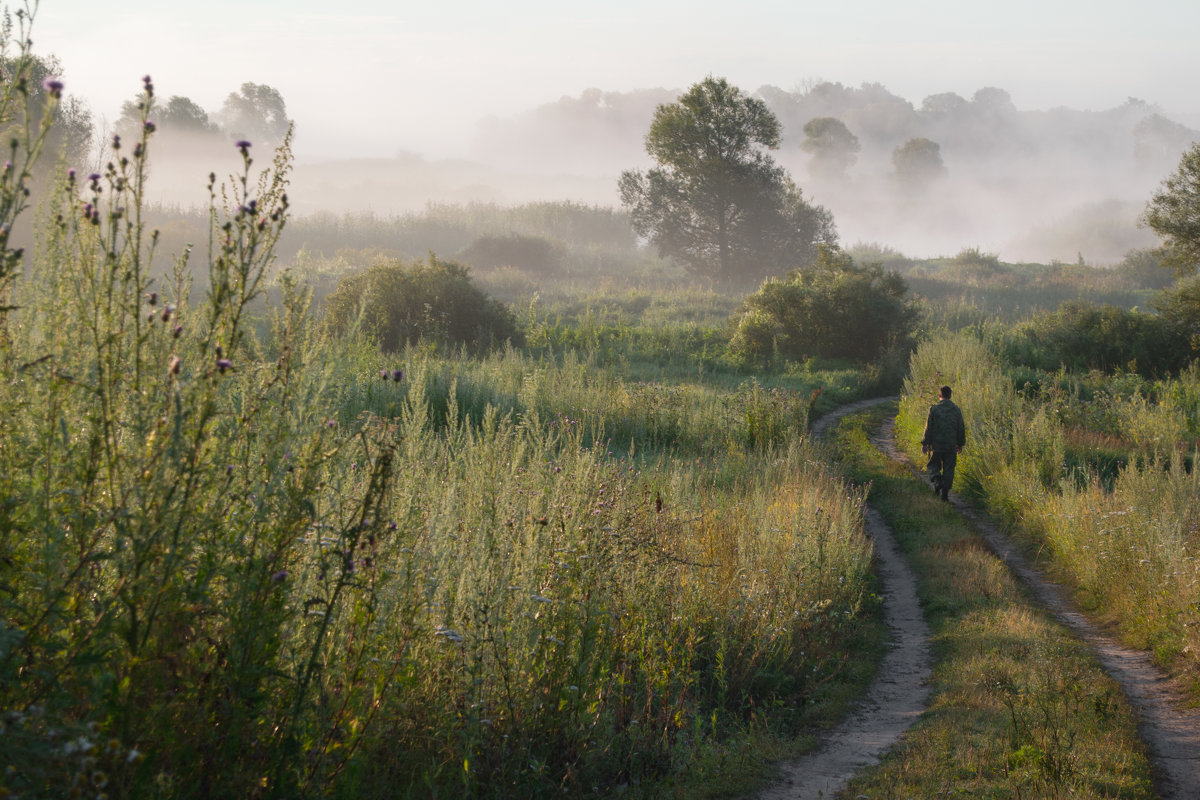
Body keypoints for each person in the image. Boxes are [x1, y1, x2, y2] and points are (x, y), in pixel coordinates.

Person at [921, 385, 965, 501]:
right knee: (949, 468)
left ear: (939, 395)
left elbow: (928, 427)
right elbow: (960, 428)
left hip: (936, 445)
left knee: (933, 465)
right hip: (951, 445)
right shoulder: (956, 410)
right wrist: (960, 444)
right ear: (950, 395)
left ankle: (937, 480)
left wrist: (925, 443)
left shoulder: (934, 409)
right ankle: (945, 492)